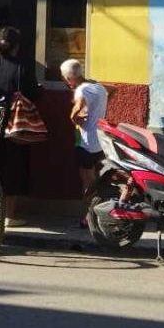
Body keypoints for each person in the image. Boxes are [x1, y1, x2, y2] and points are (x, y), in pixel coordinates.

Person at [0, 27, 40, 227]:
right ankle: (8, 214)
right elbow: (33, 94)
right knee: (15, 169)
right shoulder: (22, 68)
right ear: (17, 47)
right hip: (15, 125)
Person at [60, 59, 108, 225]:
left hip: (86, 142)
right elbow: (112, 91)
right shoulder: (98, 87)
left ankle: (90, 217)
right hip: (100, 141)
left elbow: (77, 108)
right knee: (95, 178)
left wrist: (73, 117)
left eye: (65, 79)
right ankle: (96, 214)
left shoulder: (82, 90)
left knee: (88, 181)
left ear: (69, 78)